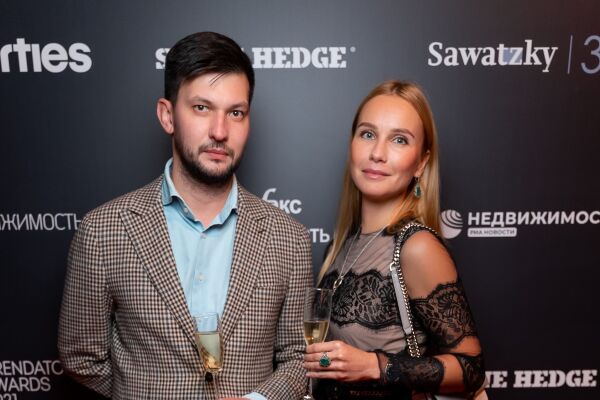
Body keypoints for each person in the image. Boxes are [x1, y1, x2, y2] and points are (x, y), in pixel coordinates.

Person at [58, 31, 312, 400]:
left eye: (236, 113)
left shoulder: (289, 237)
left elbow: (298, 357)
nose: (220, 132)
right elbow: (81, 357)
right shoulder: (104, 231)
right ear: (168, 115)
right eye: (202, 108)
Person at [303, 80, 485, 399]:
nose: (377, 153)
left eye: (399, 140)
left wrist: (375, 366)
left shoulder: (417, 247)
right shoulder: (341, 246)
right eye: (367, 134)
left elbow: (471, 369)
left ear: (421, 163)